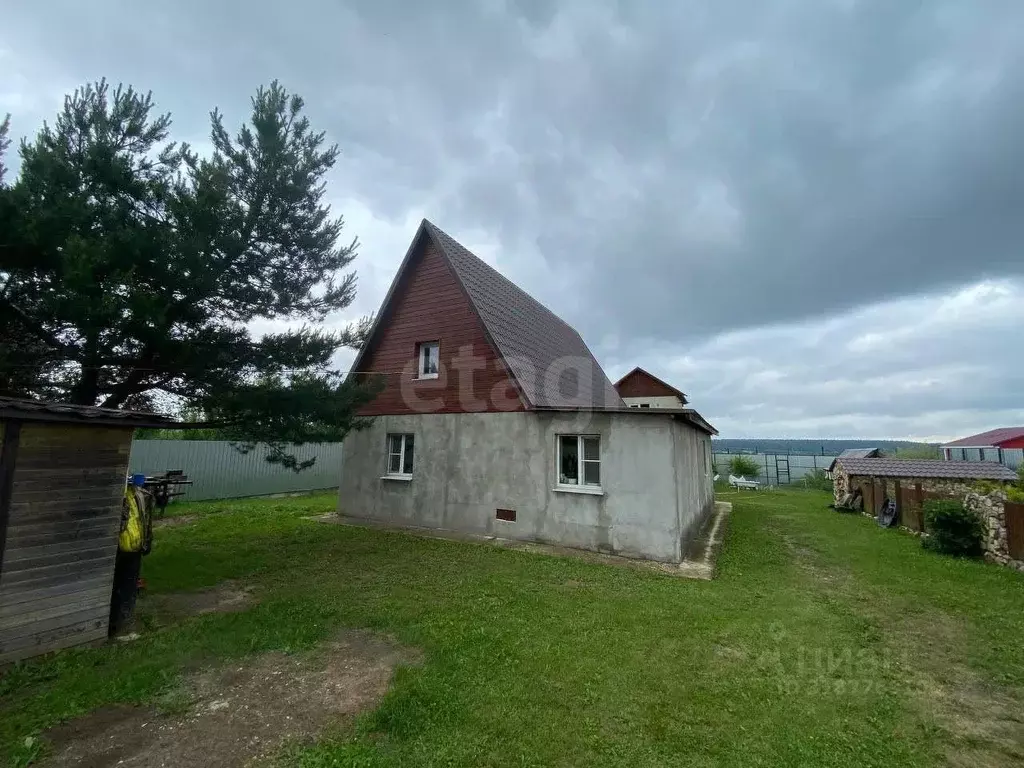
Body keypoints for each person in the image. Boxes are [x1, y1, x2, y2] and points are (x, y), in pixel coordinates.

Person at [109, 477, 153, 635]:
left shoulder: (128, 497)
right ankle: (121, 626)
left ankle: (118, 626)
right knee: (124, 587)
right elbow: (146, 524)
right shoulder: (138, 495)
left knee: (120, 587)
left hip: (123, 547)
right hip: (133, 547)